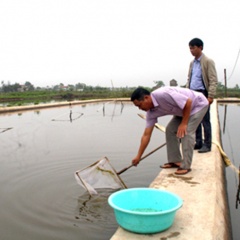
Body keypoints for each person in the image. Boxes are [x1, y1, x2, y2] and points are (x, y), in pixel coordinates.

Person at [131, 86, 209, 175]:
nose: (140, 108)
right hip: (181, 111)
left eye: (139, 105)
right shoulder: (150, 114)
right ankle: (175, 161)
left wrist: (184, 124)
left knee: (186, 131)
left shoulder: (162, 94)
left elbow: (188, 102)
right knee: (170, 130)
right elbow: (146, 135)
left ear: (146, 98)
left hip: (198, 105)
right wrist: (138, 156)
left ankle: (186, 166)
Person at [186, 38, 218, 153]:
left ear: (200, 48)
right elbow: (189, 79)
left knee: (205, 119)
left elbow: (213, 80)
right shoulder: (192, 63)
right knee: (195, 118)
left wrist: (210, 96)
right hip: (193, 93)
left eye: (193, 47)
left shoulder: (208, 61)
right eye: (190, 48)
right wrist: (187, 93)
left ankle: (207, 144)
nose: (191, 50)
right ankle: (198, 142)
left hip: (203, 93)